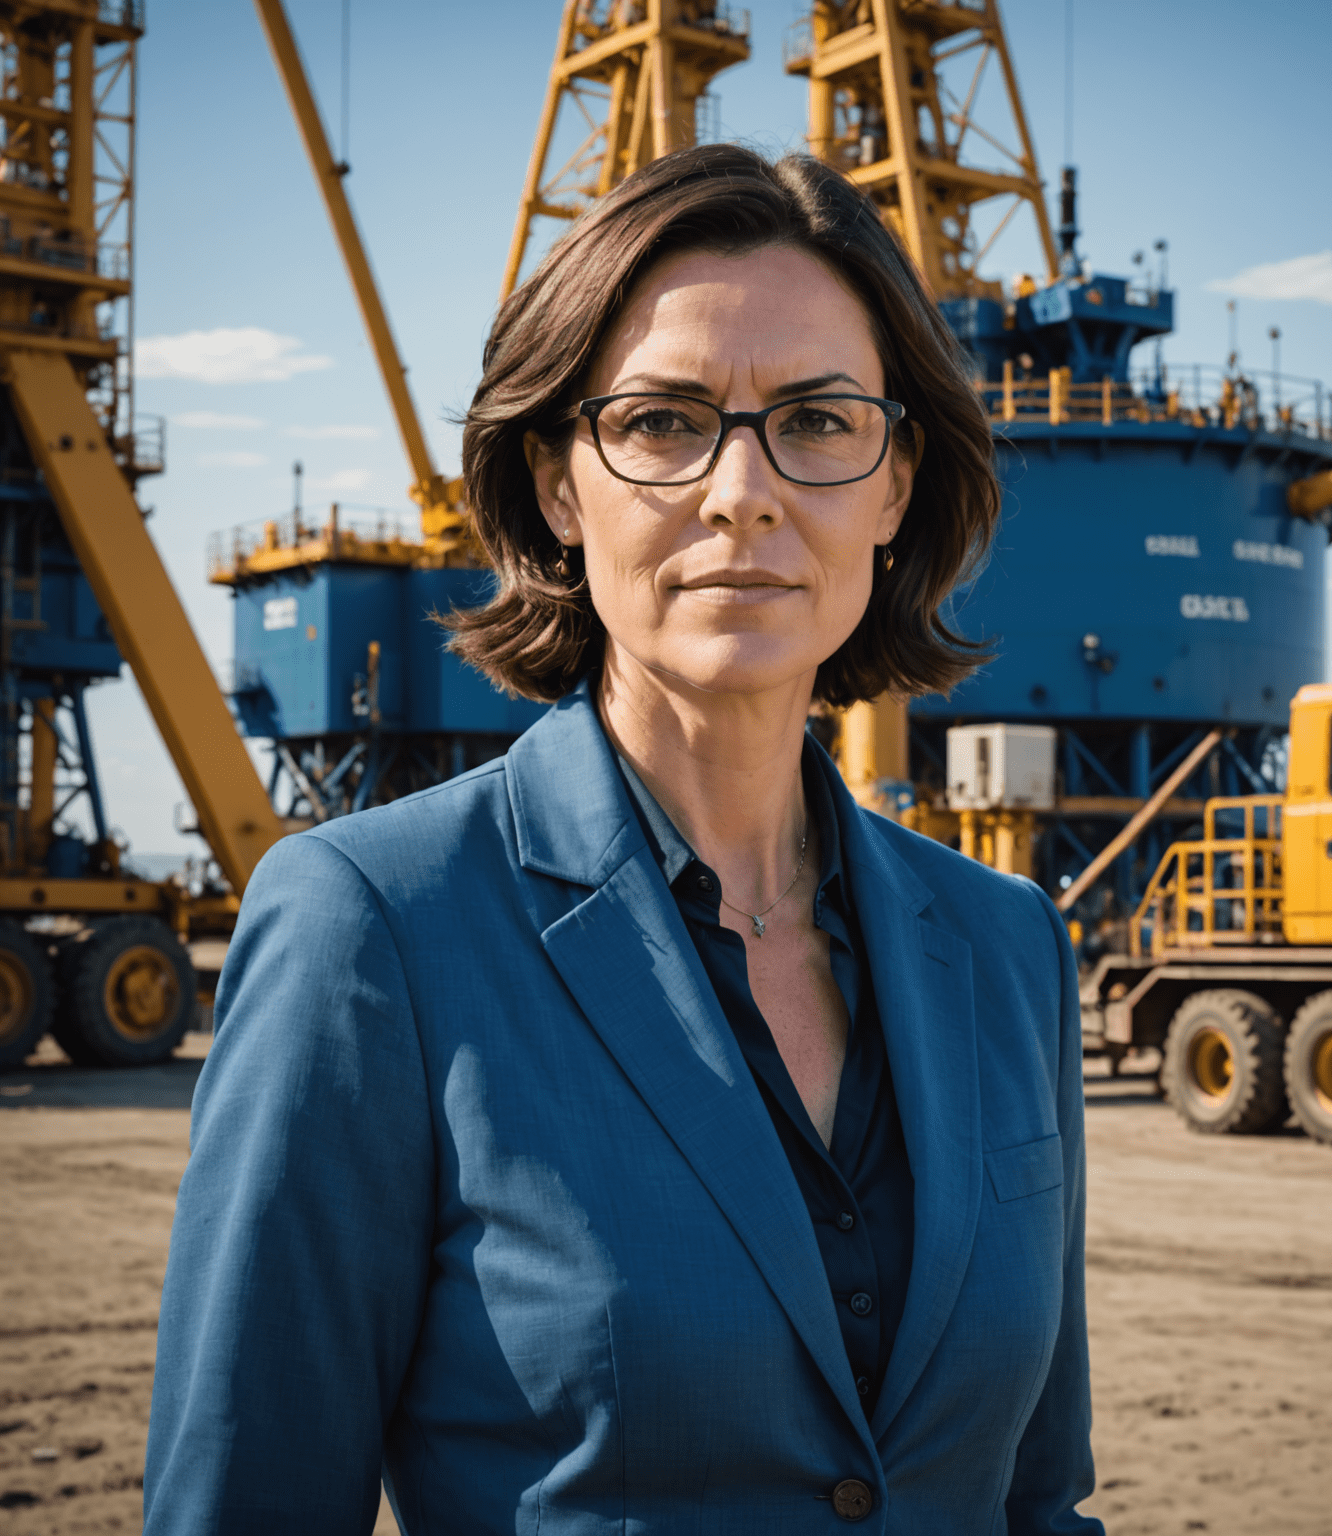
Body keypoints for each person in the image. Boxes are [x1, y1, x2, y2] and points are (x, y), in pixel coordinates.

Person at [144, 143, 1102, 1535]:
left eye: (821, 421)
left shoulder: (1011, 950)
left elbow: (1038, 1502)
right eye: (662, 423)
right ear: (554, 483)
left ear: (895, 485)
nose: (743, 491)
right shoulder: (376, 930)